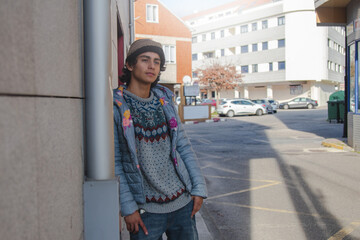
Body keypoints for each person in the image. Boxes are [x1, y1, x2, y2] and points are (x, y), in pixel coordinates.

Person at [113, 38, 207, 240]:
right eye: (145, 60)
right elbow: (116, 161)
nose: (151, 66)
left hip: (182, 203)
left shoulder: (165, 101)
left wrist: (198, 188)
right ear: (129, 65)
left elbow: (183, 146)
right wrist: (128, 208)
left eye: (157, 62)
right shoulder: (117, 107)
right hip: (146, 211)